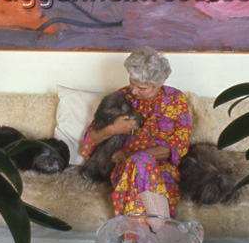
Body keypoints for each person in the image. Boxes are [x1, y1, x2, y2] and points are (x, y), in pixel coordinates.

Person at [81, 46, 191, 219]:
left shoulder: (175, 100)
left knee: (143, 162)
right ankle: (162, 228)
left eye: (142, 88)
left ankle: (136, 233)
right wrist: (113, 129)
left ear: (158, 84)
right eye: (131, 83)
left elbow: (179, 146)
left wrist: (133, 155)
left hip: (162, 168)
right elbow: (90, 139)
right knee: (139, 166)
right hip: (125, 167)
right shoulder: (120, 97)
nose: (133, 91)